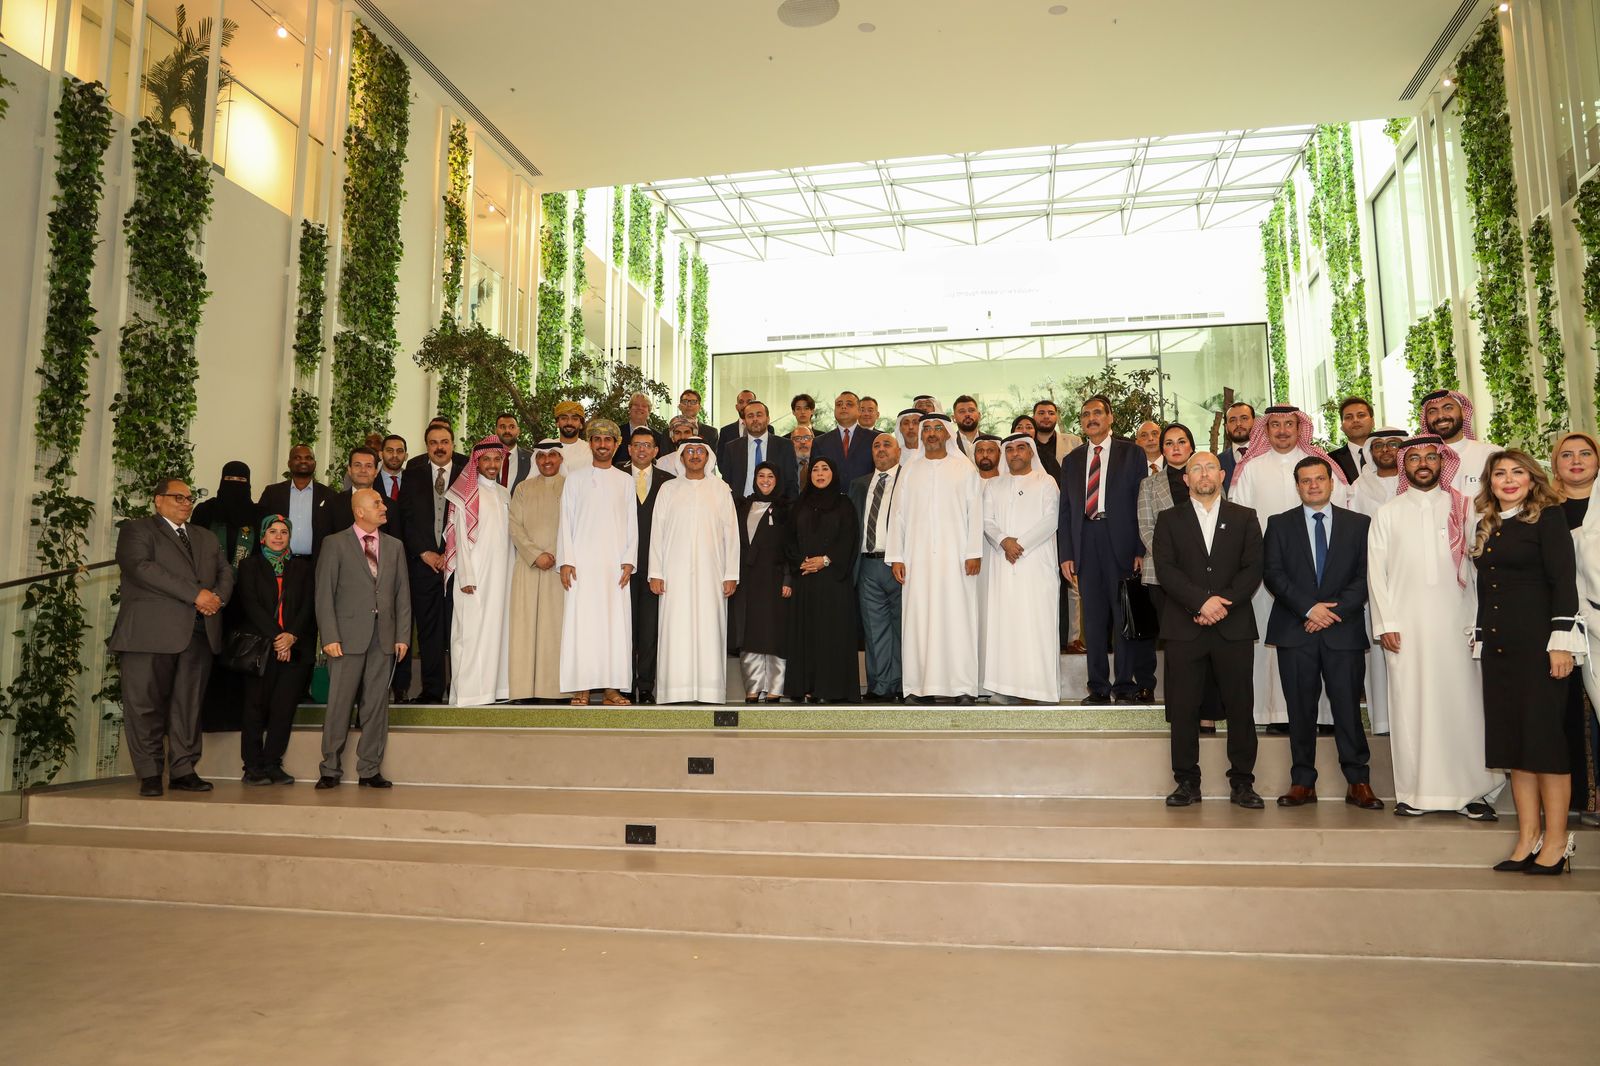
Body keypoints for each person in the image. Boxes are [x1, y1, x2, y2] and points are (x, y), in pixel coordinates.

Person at [1367, 436, 1500, 819]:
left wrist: (1480, 622)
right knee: (1411, 706)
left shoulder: (1464, 508)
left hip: (1459, 624)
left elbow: (1481, 570)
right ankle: (1416, 793)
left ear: (1443, 462)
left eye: (1430, 457)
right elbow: (1377, 573)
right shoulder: (1388, 513)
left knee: (1465, 706)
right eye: (1414, 458)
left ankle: (1474, 792)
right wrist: (1386, 623)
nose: (1423, 463)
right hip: (1405, 629)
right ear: (1404, 465)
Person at [1471, 451, 1582, 873]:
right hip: (1500, 648)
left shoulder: (1549, 517)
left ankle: (1557, 841)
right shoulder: (1489, 524)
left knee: (1544, 743)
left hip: (1540, 646)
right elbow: (1486, 589)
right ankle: (1528, 837)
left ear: (1533, 479)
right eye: (1500, 473)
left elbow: (1564, 579)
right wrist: (1481, 636)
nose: (1509, 479)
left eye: (1518, 472)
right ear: (1490, 483)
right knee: (1515, 745)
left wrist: (1561, 641)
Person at [1262, 457, 1381, 810]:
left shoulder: (1359, 524)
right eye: (1306, 480)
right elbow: (1273, 574)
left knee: (1347, 708)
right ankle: (1302, 782)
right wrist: (1309, 609)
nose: (1313, 485)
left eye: (1319, 479)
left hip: (1343, 631)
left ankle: (1358, 781)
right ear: (1297, 486)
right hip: (1295, 630)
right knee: (1300, 711)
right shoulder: (1279, 524)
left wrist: (1331, 613)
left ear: (1331, 483)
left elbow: (1364, 576)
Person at [1151, 452, 1263, 808]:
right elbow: (1166, 570)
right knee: (1183, 708)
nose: (1203, 474)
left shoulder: (1244, 517)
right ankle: (1187, 782)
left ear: (1222, 475)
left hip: (1234, 626)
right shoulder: (1169, 519)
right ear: (1186, 479)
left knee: (1240, 706)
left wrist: (1220, 604)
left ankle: (1242, 783)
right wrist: (1201, 603)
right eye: (1195, 469)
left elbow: (1253, 568)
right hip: (1185, 627)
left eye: (1210, 467)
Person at [110, 478, 235, 797]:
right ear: (158, 500)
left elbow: (225, 572)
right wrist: (196, 595)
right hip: (149, 633)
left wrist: (217, 599)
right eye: (178, 497)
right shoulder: (137, 530)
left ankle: (183, 769)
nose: (185, 503)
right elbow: (141, 568)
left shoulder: (205, 537)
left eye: (189, 498)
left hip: (198, 634)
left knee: (188, 707)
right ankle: (150, 772)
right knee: (144, 705)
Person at [1227, 405, 1349, 730]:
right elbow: (1240, 522)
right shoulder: (1251, 468)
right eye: (1276, 425)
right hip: (1269, 575)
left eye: (1289, 424)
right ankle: (1273, 714)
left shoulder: (1319, 466)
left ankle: (1324, 715)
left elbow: (1342, 516)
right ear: (1265, 430)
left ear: (1299, 428)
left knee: (1323, 641)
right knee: (1270, 644)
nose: (1282, 430)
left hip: (1320, 571)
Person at [1058, 394, 1151, 704]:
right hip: (1086, 542)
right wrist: (1066, 554)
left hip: (1121, 542)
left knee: (1123, 616)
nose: (1091, 418)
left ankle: (1124, 685)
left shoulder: (1132, 454)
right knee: (1093, 620)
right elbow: (1065, 510)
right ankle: (1097, 687)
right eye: (1086, 414)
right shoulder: (1071, 460)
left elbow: (1141, 503)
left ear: (1110, 418)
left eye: (1097, 413)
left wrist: (1140, 548)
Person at [314, 488, 410, 789]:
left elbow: (402, 594)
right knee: (339, 705)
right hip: (345, 639)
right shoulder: (335, 543)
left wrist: (402, 635)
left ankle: (369, 769)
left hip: (384, 638)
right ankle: (330, 768)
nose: (384, 507)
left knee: (377, 706)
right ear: (359, 511)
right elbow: (324, 594)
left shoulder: (395, 546)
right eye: (377, 503)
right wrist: (329, 636)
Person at [888, 414, 984, 703]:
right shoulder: (910, 469)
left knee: (958, 620)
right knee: (919, 621)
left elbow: (975, 513)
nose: (931, 433)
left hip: (957, 560)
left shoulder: (964, 468)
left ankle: (962, 688)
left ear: (947, 434)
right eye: (926, 428)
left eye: (937, 428)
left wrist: (973, 552)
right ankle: (919, 688)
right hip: (916, 560)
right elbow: (898, 514)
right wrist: (896, 556)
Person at [1136, 423, 1219, 728]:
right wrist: (1173, 563)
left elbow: (1219, 522)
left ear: (1191, 446)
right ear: (1162, 449)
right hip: (1163, 577)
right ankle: (1180, 716)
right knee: (1177, 648)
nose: (1175, 447)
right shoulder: (1149, 485)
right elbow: (1146, 529)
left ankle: (1207, 715)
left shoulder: (1208, 478)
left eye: (1181, 441)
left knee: (1208, 645)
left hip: (1207, 577)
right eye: (1169, 443)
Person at [650, 439, 740, 704]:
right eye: (689, 451)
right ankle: (674, 690)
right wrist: (656, 572)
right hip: (673, 573)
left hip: (712, 573)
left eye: (700, 451)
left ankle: (710, 691)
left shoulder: (721, 489)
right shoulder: (668, 489)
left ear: (708, 456)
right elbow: (657, 532)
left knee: (709, 627)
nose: (695, 455)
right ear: (681, 457)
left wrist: (730, 574)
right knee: (675, 627)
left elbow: (731, 533)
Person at [558, 420, 638, 706]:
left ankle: (611, 689)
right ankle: (581, 687)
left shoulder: (625, 480)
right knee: (582, 625)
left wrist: (628, 560)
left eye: (608, 440)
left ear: (616, 445)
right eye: (597, 439)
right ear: (590, 443)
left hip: (614, 568)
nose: (602, 445)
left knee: (614, 627)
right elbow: (565, 521)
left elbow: (631, 524)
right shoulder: (574, 479)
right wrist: (566, 560)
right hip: (581, 566)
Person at [235, 515, 315, 785]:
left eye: (284, 532)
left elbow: (307, 605)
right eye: (272, 531)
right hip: (261, 648)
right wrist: (278, 638)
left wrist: (291, 636)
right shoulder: (249, 565)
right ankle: (252, 766)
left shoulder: (302, 567)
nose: (278, 536)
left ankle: (272, 763)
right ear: (263, 537)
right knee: (254, 708)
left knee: (284, 710)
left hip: (295, 649)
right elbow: (250, 604)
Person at [982, 434, 1061, 703]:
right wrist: (1004, 541)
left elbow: (1051, 519)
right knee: (1005, 626)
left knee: (1037, 625)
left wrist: (1021, 544)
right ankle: (1005, 689)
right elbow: (987, 521)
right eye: (1010, 449)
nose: (1015, 453)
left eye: (1021, 448)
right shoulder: (994, 485)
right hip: (1003, 564)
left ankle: (1040, 690)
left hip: (1036, 565)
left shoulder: (1046, 481)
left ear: (1031, 452)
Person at [1550, 431, 1600, 826]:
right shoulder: (1545, 510)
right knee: (1568, 714)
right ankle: (1581, 798)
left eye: (1585, 453)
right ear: (1555, 464)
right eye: (1567, 455)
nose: (1577, 460)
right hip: (1561, 626)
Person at [396, 422, 466, 704]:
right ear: (427, 447)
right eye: (434, 442)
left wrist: (451, 553)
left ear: (452, 445)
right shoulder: (412, 476)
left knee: (458, 629)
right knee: (428, 631)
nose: (440, 447)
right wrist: (424, 552)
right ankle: (432, 691)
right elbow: (406, 520)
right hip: (423, 567)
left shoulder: (466, 475)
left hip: (457, 567)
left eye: (444, 442)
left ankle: (460, 688)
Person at [783, 457, 861, 703]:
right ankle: (807, 687)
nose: (819, 473)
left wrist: (825, 560)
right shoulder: (800, 504)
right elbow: (789, 539)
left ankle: (831, 690)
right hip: (805, 579)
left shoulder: (844, 504)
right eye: (815, 469)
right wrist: (801, 562)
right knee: (806, 634)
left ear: (833, 473)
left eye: (825, 469)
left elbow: (849, 539)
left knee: (831, 635)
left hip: (833, 581)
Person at [445, 438, 513, 706]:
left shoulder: (504, 493)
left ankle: (493, 690)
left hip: (501, 575)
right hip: (474, 575)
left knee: (497, 630)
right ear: (477, 462)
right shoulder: (465, 494)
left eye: (497, 459)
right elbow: (460, 539)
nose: (493, 465)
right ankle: (469, 693)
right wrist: (466, 576)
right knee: (471, 633)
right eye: (487, 460)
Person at [1348, 428, 1407, 737]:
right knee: (1377, 654)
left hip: (1410, 579)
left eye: (1394, 444)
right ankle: (1383, 721)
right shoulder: (1359, 486)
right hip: (1373, 579)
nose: (1386, 450)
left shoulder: (1416, 484)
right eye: (1379, 446)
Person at [507, 440, 568, 702]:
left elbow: (575, 526)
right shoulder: (523, 488)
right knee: (525, 628)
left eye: (552, 455)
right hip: (528, 566)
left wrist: (555, 554)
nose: (547, 461)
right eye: (541, 456)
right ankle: (524, 690)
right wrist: (536, 555)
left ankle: (556, 690)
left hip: (560, 569)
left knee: (555, 629)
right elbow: (515, 527)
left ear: (561, 459)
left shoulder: (571, 487)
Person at [850, 435, 904, 702]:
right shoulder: (859, 484)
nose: (881, 450)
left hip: (900, 564)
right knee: (874, 629)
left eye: (887, 445)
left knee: (904, 628)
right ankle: (880, 686)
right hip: (867, 565)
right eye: (876, 446)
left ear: (899, 451)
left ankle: (905, 684)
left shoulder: (909, 480)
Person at [731, 462, 792, 702]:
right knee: (750, 633)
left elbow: (791, 547)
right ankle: (753, 687)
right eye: (761, 476)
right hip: (747, 579)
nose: (765, 480)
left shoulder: (786, 509)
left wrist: (788, 578)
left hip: (775, 579)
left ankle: (775, 687)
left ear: (777, 480)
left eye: (770, 476)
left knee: (775, 633)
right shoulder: (742, 506)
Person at [625, 427, 673, 701]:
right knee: (624, 630)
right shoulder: (616, 477)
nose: (642, 449)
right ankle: (623, 686)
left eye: (647, 445)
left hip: (655, 569)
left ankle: (645, 687)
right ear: (629, 449)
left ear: (656, 451)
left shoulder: (669, 482)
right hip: (622, 569)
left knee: (649, 631)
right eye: (637, 445)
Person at [257, 444, 335, 558]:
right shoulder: (272, 493)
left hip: (316, 562)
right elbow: (261, 527)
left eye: (308, 458)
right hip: (278, 561)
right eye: (297, 458)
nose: (303, 461)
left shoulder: (329, 495)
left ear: (314, 463)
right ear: (289, 463)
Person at [1420, 389, 1497, 497]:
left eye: (1448, 408)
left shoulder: (1491, 454)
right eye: (1432, 411)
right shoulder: (1418, 463)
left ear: (1463, 412)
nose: (1441, 416)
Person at [719, 400, 798, 501]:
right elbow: (726, 483)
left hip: (776, 506)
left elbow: (791, 482)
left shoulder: (785, 446)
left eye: (759, 415)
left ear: (768, 419)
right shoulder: (732, 448)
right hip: (740, 505)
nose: (755, 419)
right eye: (750, 416)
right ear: (744, 421)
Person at [191, 461, 258, 568]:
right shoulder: (204, 511)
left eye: (241, 479)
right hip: (209, 575)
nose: (235, 483)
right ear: (222, 480)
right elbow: (194, 547)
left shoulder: (258, 514)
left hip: (249, 576)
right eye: (230, 478)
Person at [326, 446, 380, 537]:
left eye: (368, 466)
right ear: (349, 470)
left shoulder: (389, 506)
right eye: (357, 465)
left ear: (376, 472)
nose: (363, 470)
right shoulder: (332, 504)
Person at [1031, 400, 1081, 482]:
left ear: (1056, 417)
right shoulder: (1026, 445)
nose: (1046, 416)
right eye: (1041, 413)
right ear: (1033, 417)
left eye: (1051, 413)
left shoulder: (1074, 442)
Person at [1329, 397, 1375, 483]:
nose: (1355, 420)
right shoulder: (1330, 460)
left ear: (1373, 422)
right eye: (1348, 417)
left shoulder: (1389, 453)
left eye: (1361, 415)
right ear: (1342, 426)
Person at [1218, 401, 1255, 488]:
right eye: (1232, 420)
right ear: (1226, 428)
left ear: (1255, 423)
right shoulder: (1218, 462)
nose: (1238, 424)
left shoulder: (1268, 455)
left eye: (1244, 418)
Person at [494, 412, 535, 490]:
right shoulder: (485, 459)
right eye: (502, 427)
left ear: (518, 431)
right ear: (495, 431)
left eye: (512, 427)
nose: (507, 431)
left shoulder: (531, 458)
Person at [553, 401, 593, 471]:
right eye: (564, 418)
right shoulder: (546, 448)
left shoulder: (590, 450)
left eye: (574, 419)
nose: (569, 422)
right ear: (557, 423)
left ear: (581, 424)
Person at [377, 434, 407, 502]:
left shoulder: (414, 482)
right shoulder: (371, 481)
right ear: (381, 455)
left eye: (399, 451)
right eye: (390, 450)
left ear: (406, 456)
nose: (395, 455)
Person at [791, 425, 815, 489]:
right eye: (797, 438)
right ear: (791, 442)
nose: (803, 442)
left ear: (813, 440)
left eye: (807, 438)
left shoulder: (821, 462)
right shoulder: (785, 465)